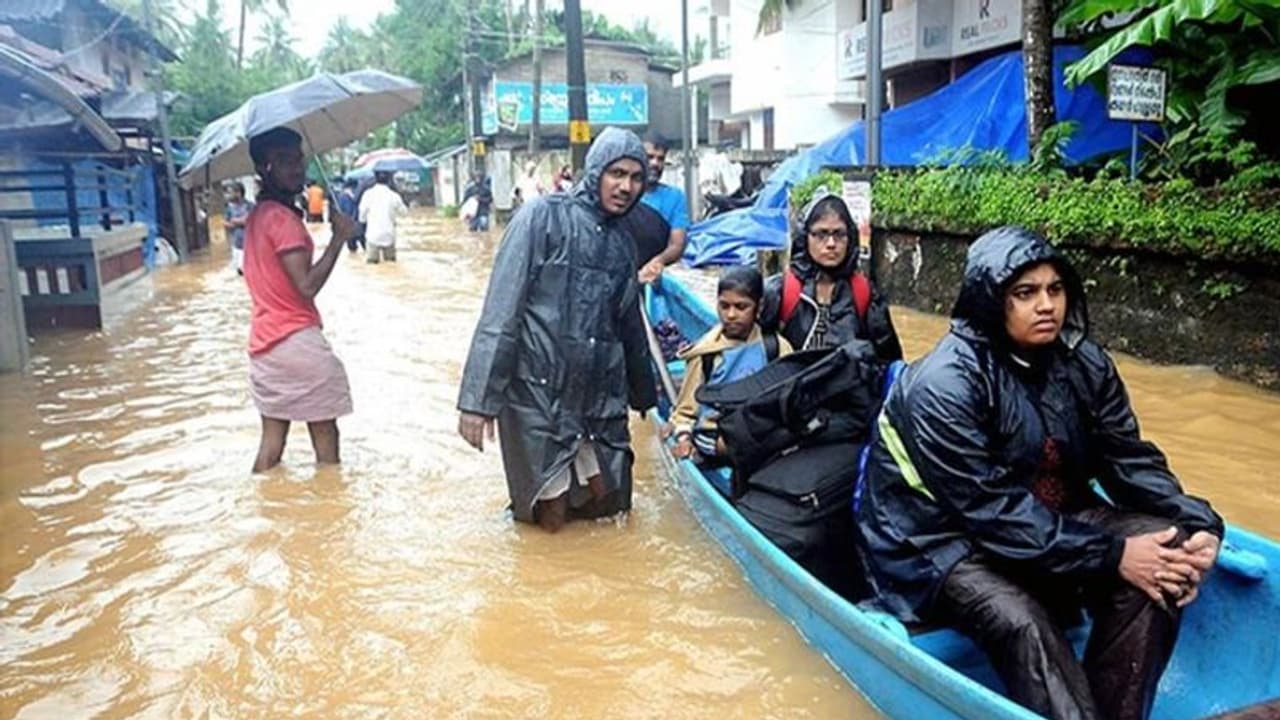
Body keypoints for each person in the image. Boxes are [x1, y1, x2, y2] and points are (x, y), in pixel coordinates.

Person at [856, 226, 1223, 720]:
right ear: (991, 301)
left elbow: (1128, 461)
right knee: (1023, 620)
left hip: (1050, 519)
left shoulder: (1086, 364)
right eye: (1025, 293)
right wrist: (1113, 554)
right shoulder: (945, 385)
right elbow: (992, 512)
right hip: (938, 543)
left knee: (1166, 556)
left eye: (1055, 290)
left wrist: (1201, 524)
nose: (1046, 305)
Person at [456, 127, 657, 533]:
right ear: (596, 170)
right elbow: (501, 310)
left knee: (610, 502)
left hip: (597, 397)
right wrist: (478, 400)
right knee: (550, 512)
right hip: (539, 394)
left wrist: (644, 396)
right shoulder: (541, 217)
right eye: (617, 174)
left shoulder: (622, 243)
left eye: (636, 178)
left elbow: (630, 325)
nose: (626, 187)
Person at [242, 127, 358, 472]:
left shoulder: (257, 217)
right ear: (265, 168)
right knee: (326, 443)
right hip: (296, 341)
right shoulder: (283, 222)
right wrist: (339, 239)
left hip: (264, 343)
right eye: (284, 161)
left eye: (298, 159)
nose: (297, 169)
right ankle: (332, 517)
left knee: (271, 445)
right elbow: (305, 287)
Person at [758, 188, 902, 361]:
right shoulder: (780, 292)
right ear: (805, 238)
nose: (831, 244)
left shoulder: (864, 293)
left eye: (839, 234)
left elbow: (889, 362)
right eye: (821, 234)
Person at [667, 265, 791, 465]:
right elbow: (685, 411)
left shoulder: (776, 347)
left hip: (757, 428)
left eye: (741, 307)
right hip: (715, 435)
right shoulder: (706, 353)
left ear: (758, 308)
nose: (731, 315)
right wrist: (683, 437)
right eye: (724, 306)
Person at [636, 132, 691, 283]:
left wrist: (657, 262)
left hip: (654, 277)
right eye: (650, 157)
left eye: (660, 159)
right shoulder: (624, 194)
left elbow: (677, 244)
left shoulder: (674, 197)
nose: (655, 163)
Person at [358, 170, 408, 264]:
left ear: (375, 179)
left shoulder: (368, 194)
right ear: (389, 180)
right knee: (391, 264)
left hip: (372, 235)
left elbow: (362, 215)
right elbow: (404, 213)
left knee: (372, 266)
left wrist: (364, 221)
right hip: (389, 235)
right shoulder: (394, 195)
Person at [223, 181, 253, 276]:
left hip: (250, 245)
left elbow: (249, 220)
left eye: (229, 192)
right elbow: (225, 223)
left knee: (248, 271)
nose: (227, 195)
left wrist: (235, 221)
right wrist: (236, 222)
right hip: (237, 245)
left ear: (238, 193)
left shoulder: (249, 206)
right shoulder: (229, 208)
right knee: (239, 271)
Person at [335, 178, 365, 252]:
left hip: (349, 223)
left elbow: (343, 210)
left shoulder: (342, 195)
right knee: (364, 245)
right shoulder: (357, 194)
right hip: (358, 222)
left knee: (352, 248)